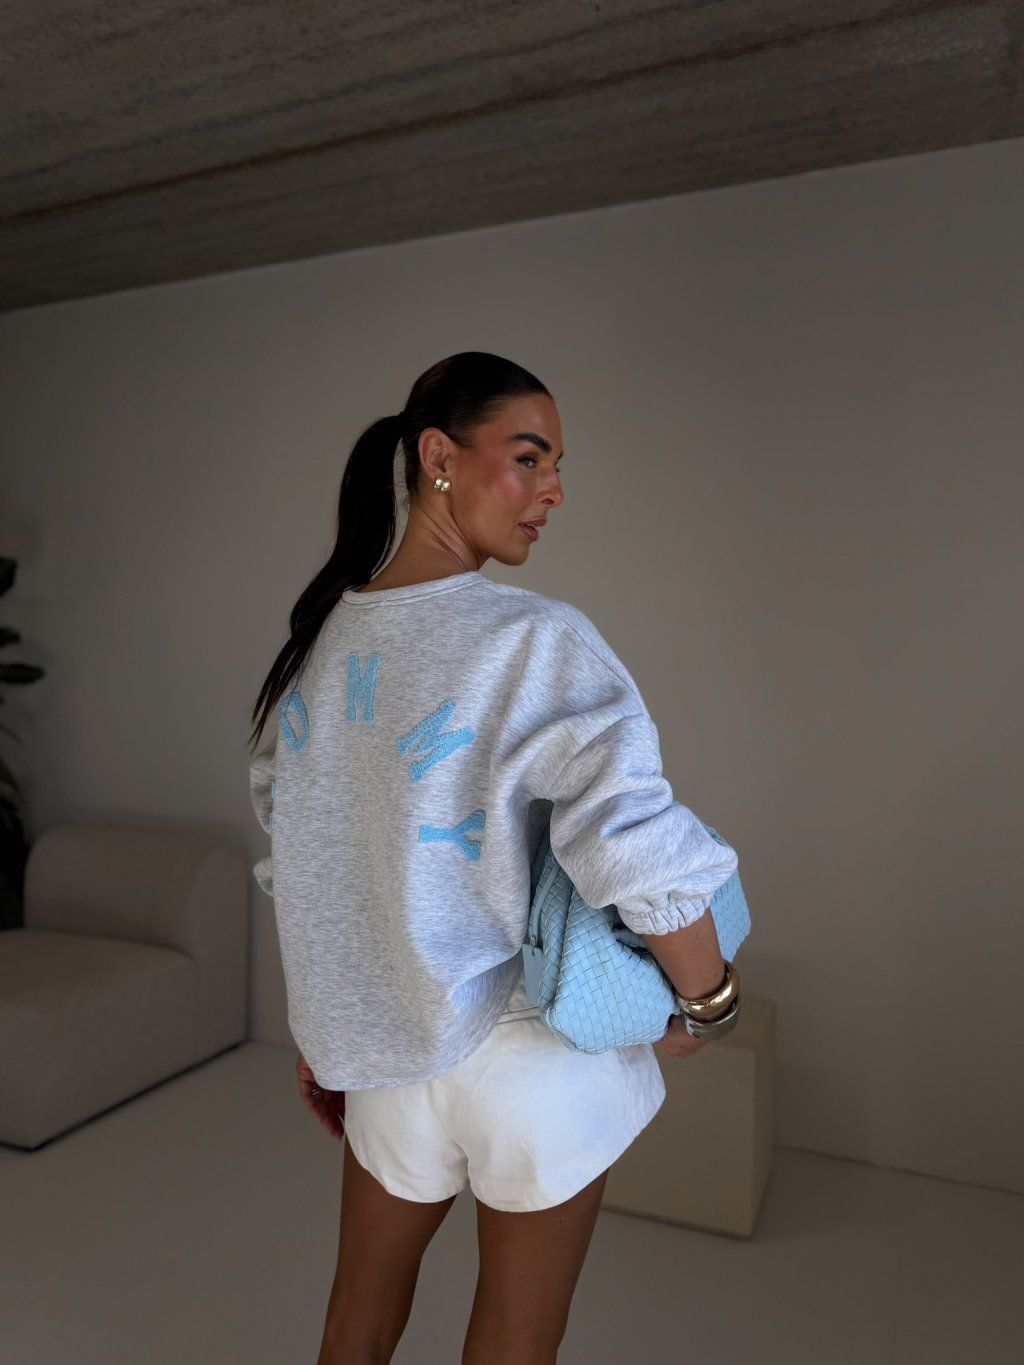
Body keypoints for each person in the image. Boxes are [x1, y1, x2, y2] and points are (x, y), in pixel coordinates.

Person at [247, 351, 741, 1365]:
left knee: (355, 1323)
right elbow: (633, 840)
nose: (553, 490)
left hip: (393, 1061)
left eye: (556, 465)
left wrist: (335, 1029)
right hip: (531, 1058)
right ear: (438, 454)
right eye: (529, 457)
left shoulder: (319, 643)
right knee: (514, 1346)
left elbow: (304, 858)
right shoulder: (533, 638)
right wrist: (706, 998)